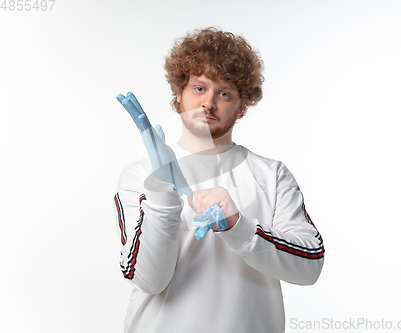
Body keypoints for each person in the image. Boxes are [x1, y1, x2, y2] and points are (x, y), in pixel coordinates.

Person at [113, 27, 325, 333]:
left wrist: (238, 226)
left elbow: (309, 265)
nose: (209, 103)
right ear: (179, 95)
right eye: (199, 88)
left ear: (241, 108)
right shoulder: (139, 176)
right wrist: (161, 189)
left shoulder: (272, 175)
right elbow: (148, 278)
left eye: (223, 93)